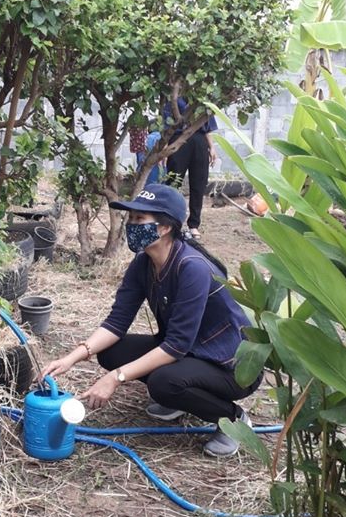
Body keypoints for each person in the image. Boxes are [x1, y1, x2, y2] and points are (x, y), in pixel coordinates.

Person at [40, 184, 260, 458]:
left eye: (140, 220)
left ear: (165, 227)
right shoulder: (143, 263)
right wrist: (71, 358)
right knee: (111, 352)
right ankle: (184, 399)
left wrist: (115, 378)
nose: (131, 225)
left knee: (163, 382)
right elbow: (116, 323)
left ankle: (233, 419)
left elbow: (176, 346)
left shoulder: (192, 267)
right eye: (130, 218)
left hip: (232, 367)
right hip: (191, 352)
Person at [163, 98, 217, 239]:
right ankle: (170, 221)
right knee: (173, 181)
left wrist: (212, 147)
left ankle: (194, 225)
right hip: (178, 140)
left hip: (199, 141)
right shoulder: (174, 98)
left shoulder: (202, 98)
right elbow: (165, 125)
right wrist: (164, 148)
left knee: (199, 184)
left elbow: (207, 125)